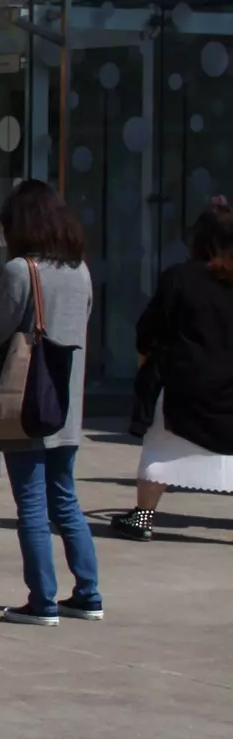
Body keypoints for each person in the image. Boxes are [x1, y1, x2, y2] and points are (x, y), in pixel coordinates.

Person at [0, 180, 99, 625]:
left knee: (32, 506)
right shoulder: (79, 270)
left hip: (25, 403)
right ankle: (88, 593)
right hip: (66, 404)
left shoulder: (20, 271)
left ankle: (42, 600)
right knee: (66, 499)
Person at [113, 197, 233, 540]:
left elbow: (149, 327)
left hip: (186, 383)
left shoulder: (180, 277)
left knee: (161, 447)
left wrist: (145, 356)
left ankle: (143, 517)